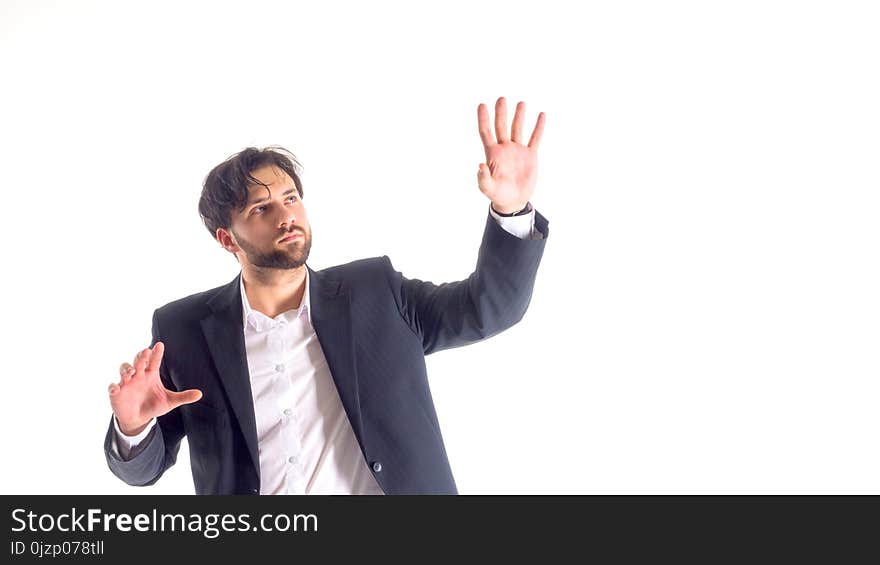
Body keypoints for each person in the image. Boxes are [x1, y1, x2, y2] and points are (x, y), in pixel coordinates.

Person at [103, 97, 550, 494]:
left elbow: (489, 309)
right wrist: (134, 426)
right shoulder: (184, 331)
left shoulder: (375, 292)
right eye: (262, 209)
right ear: (227, 239)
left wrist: (510, 210)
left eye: (291, 198)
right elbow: (142, 471)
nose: (286, 216)